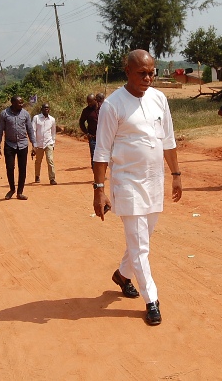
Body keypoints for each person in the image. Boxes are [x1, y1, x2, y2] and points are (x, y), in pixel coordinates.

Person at [92, 49, 182, 326]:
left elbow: (168, 139)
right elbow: (102, 151)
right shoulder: (112, 105)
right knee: (140, 245)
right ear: (127, 72)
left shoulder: (159, 99)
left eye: (151, 72)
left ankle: (122, 274)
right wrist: (99, 189)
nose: (148, 78)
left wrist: (176, 173)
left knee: (145, 237)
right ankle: (151, 300)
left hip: (155, 180)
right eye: (142, 73)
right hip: (127, 182)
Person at [0, 96, 35, 200]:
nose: (21, 105)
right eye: (19, 103)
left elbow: (30, 130)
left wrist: (34, 145)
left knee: (22, 169)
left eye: (22, 103)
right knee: (9, 167)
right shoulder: (4, 114)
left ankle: (20, 192)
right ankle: (12, 189)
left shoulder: (25, 114)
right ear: (13, 103)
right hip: (9, 144)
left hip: (23, 145)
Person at [31, 103, 57, 185]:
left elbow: (53, 132)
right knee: (38, 161)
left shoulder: (52, 119)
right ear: (41, 109)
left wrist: (53, 143)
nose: (46, 109)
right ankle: (37, 175)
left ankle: (52, 178)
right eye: (45, 108)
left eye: (48, 108)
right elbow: (33, 131)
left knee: (50, 160)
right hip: (38, 144)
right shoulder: (36, 118)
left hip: (48, 143)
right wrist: (34, 144)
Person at [79, 94, 99, 168]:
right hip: (93, 138)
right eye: (88, 102)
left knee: (104, 157)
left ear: (95, 100)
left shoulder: (102, 108)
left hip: (103, 138)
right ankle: (96, 177)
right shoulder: (86, 111)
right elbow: (81, 122)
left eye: (90, 102)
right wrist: (86, 133)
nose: (89, 104)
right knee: (94, 157)